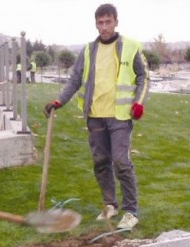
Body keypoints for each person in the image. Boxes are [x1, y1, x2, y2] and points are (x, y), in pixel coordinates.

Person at [44, 3, 150, 230]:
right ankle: (110, 205)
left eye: (108, 22)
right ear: (96, 24)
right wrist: (59, 101)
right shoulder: (88, 50)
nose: (104, 27)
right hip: (95, 116)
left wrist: (139, 103)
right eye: (100, 23)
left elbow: (144, 77)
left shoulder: (131, 47)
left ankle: (130, 211)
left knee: (121, 162)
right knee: (101, 162)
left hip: (119, 116)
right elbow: (74, 79)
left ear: (116, 22)